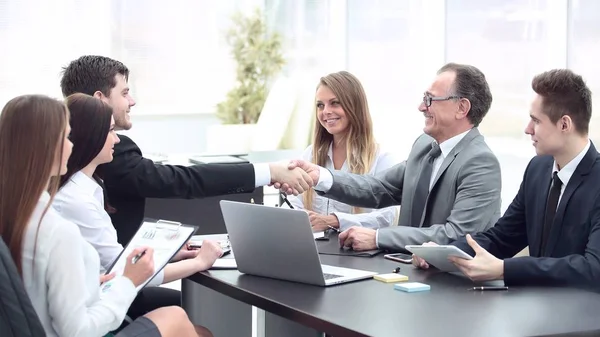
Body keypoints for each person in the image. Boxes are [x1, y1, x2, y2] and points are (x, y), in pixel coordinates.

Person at [0, 94, 213, 337]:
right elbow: (77, 331)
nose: (72, 144)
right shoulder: (57, 231)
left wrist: (92, 285)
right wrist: (127, 282)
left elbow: (40, 292)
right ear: (49, 147)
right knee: (176, 318)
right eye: (66, 137)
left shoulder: (18, 215)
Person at [60, 55, 313, 246]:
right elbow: (183, 181)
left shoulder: (62, 145)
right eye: (125, 92)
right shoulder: (109, 153)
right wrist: (269, 172)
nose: (132, 101)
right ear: (100, 98)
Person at [413, 69, 600, 291]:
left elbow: (593, 268)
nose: (527, 129)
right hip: (537, 309)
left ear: (564, 125)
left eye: (536, 121)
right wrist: (443, 253)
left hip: (584, 318)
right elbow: (503, 237)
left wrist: (505, 269)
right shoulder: (538, 170)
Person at [285, 63, 502, 252]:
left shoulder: (480, 162)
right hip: (406, 269)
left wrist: (378, 238)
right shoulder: (424, 146)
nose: (421, 107)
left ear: (462, 107)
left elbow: (457, 234)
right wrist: (321, 176)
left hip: (454, 284)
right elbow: (378, 188)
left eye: (430, 99)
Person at [52, 93, 222, 320]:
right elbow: (126, 271)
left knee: (192, 312)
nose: (117, 140)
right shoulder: (77, 201)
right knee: (194, 315)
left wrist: (169, 255)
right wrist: (200, 262)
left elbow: (116, 261)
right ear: (92, 137)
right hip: (103, 307)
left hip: (102, 297)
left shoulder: (87, 188)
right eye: (111, 131)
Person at [284, 71, 398, 231]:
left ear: (355, 106)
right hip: (314, 249)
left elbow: (387, 216)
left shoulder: (382, 158)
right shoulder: (310, 155)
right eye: (320, 105)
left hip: (359, 253)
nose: (326, 111)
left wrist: (333, 221)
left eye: (335, 103)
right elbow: (293, 203)